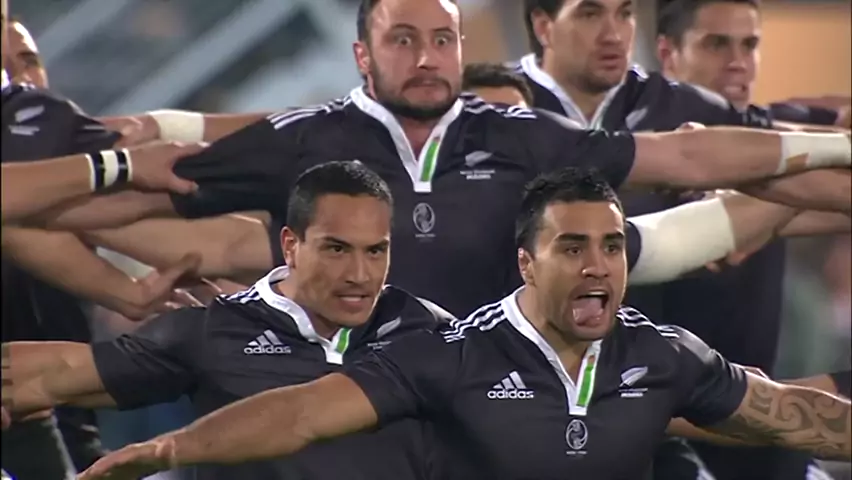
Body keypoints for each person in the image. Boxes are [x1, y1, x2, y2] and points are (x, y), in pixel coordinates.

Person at [35, 0, 852, 316]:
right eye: (403, 39)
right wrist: (75, 209)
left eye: (442, 39)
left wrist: (836, 149)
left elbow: (689, 168)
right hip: (344, 412)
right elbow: (166, 211)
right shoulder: (305, 142)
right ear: (362, 56)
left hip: (507, 408)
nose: (426, 57)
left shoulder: (521, 136)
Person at [76, 167, 851, 480]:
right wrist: (169, 449)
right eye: (572, 248)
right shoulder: (451, 353)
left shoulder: (664, 353)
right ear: (526, 263)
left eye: (613, 247)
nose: (597, 266)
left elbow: (791, 415)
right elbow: (302, 413)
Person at [2, 161, 454, 480]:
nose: (359, 274)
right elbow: (58, 372)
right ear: (291, 246)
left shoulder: (426, 327)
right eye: (336, 249)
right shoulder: (213, 331)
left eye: (375, 251)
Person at [654, 1, 849, 478]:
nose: (738, 62)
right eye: (717, 44)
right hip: (662, 433)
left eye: (750, 45)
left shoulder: (779, 130)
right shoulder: (640, 159)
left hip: (763, 426)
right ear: (668, 53)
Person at [518, 0, 850, 214]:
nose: (614, 35)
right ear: (544, 27)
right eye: (590, 14)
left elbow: (776, 136)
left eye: (625, 14)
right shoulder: (502, 104)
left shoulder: (680, 103)